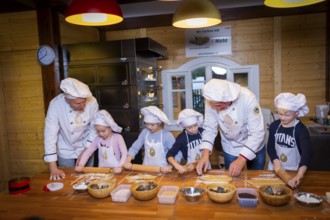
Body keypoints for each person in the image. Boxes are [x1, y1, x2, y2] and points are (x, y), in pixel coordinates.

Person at [196, 79, 266, 177]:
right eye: (215, 105)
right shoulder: (210, 101)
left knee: (255, 178)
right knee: (232, 179)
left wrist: (242, 159)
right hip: (230, 146)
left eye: (220, 105)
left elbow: (257, 133)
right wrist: (205, 154)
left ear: (230, 99)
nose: (218, 109)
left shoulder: (248, 98)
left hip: (254, 145)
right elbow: (209, 129)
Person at [43, 77, 99, 180]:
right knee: (68, 179)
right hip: (65, 147)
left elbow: (94, 129)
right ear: (67, 99)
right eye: (77, 103)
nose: (82, 106)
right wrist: (53, 168)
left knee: (88, 179)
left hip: (86, 144)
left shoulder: (92, 102)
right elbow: (50, 135)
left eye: (84, 102)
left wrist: (86, 151)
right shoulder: (55, 105)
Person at [267, 92, 312, 189]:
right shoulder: (274, 126)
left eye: (287, 115)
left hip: (293, 170)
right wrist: (276, 162)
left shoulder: (301, 129)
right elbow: (270, 147)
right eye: (280, 114)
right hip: (275, 168)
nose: (282, 118)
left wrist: (299, 175)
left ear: (296, 113)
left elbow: (306, 154)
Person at [123, 106, 180, 173]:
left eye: (152, 125)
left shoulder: (167, 135)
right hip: (146, 169)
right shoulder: (145, 133)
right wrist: (127, 161)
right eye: (146, 124)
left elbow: (177, 153)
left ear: (159, 123)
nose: (149, 127)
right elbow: (135, 147)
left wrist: (170, 166)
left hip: (163, 170)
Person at [167, 109, 206, 174]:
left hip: (205, 166)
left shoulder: (202, 132)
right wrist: (177, 165)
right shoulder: (181, 138)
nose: (194, 129)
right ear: (184, 127)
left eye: (195, 125)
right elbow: (169, 155)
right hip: (190, 169)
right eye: (190, 127)